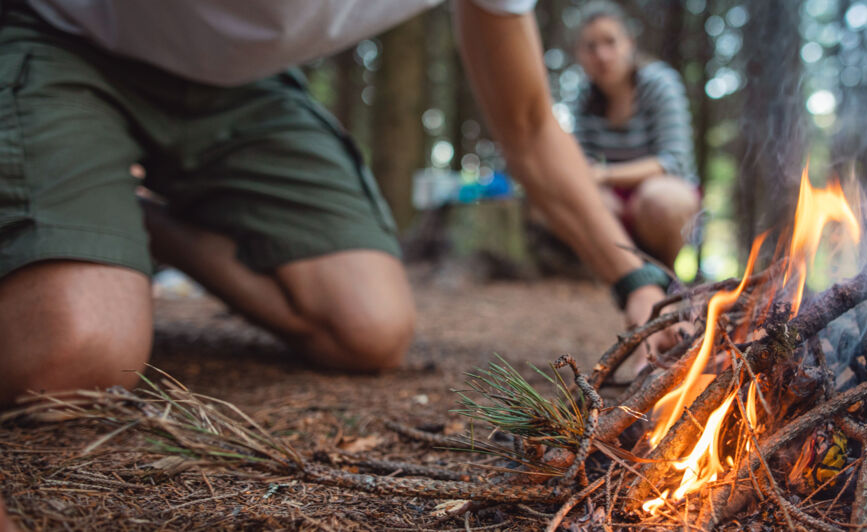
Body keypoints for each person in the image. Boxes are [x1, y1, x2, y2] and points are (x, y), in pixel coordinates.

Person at [0, 0, 680, 406]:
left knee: (369, 329)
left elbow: (530, 128)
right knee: (76, 357)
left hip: (245, 87)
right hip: (63, 35)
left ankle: (132, 209)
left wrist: (635, 279)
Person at [572, 2, 701, 269]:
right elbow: (583, 164)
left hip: (664, 195)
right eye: (591, 47)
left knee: (661, 200)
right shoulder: (584, 98)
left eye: (610, 42)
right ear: (580, 55)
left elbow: (672, 162)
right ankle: (623, 277)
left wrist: (606, 175)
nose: (602, 55)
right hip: (616, 201)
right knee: (583, 202)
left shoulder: (659, 84)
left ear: (629, 44)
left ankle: (667, 278)